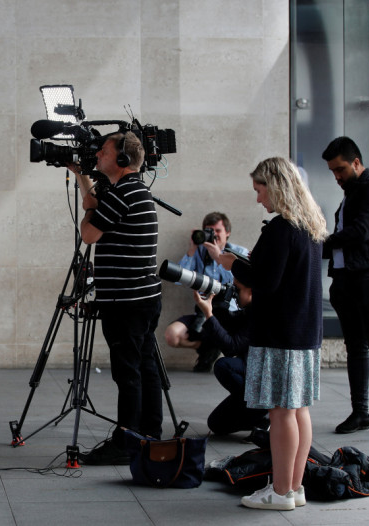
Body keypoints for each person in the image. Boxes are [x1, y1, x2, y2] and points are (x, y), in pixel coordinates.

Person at [217, 157, 326, 511]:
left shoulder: (281, 228)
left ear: (275, 185)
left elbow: (266, 282)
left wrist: (234, 264)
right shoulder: (310, 224)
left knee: (281, 412)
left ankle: (280, 492)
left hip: (281, 333)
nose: (258, 199)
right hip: (305, 332)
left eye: (260, 190)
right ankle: (293, 488)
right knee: (298, 410)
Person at [67, 130, 162, 465]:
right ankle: (150, 435)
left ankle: (127, 442)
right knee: (145, 366)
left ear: (122, 159)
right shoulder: (132, 191)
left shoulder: (123, 195)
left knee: (128, 372)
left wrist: (90, 208)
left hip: (127, 302)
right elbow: (95, 206)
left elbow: (89, 232)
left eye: (104, 151)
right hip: (142, 299)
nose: (97, 156)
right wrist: (82, 180)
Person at [321, 136, 369, 436]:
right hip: (349, 278)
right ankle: (360, 413)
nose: (336, 177)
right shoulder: (351, 194)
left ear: (356, 162)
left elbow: (360, 233)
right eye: (332, 171)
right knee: (356, 347)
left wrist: (320, 242)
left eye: (340, 169)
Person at [164, 212, 248, 372]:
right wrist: (193, 248)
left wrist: (219, 258)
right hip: (203, 312)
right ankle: (209, 346)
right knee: (171, 335)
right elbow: (178, 278)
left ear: (227, 233)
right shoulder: (199, 253)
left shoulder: (239, 252)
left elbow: (242, 283)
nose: (213, 235)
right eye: (209, 231)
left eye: (217, 231)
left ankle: (215, 345)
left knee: (233, 344)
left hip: (231, 315)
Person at [197, 262, 269, 435]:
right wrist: (218, 307)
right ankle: (260, 418)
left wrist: (208, 315)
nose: (234, 292)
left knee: (224, 366)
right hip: (250, 380)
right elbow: (232, 324)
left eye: (237, 289)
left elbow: (231, 347)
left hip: (261, 382)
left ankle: (262, 409)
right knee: (216, 424)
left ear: (251, 291)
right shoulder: (251, 309)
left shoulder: (261, 313)